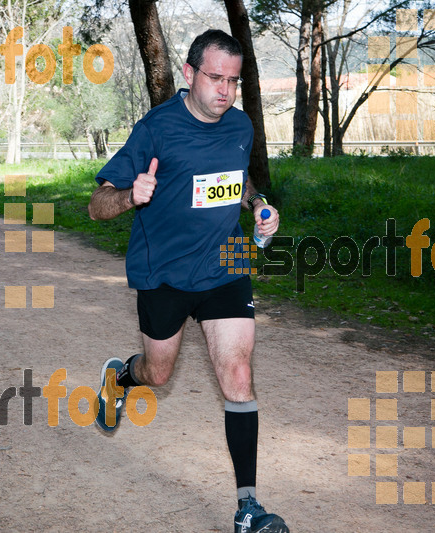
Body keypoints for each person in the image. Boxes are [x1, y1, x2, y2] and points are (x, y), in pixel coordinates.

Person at [87, 29, 287, 533]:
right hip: (165, 276)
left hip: (225, 267)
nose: (225, 90)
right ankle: (120, 377)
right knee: (158, 374)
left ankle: (248, 509)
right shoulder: (156, 129)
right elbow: (96, 206)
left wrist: (260, 206)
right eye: (216, 78)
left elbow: (239, 183)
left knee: (238, 376)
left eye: (234, 81)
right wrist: (132, 194)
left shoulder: (240, 126)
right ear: (190, 74)